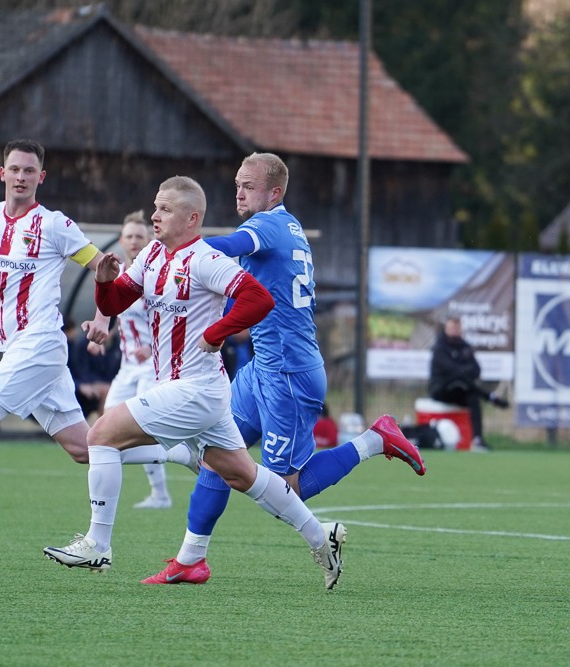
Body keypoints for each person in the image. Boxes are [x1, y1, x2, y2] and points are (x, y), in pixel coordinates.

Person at [0, 139, 197, 556]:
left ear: (41, 177)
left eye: (29, 171)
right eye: (14, 169)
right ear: (2, 173)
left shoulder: (54, 225)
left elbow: (105, 268)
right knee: (85, 448)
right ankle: (178, 453)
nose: (21, 177)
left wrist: (103, 312)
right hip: (18, 348)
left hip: (40, 344)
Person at [43, 175, 347, 589]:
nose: (155, 215)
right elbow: (114, 302)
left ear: (191, 219)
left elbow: (259, 299)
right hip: (197, 390)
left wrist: (216, 332)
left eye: (165, 209)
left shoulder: (205, 259)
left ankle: (97, 544)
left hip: (195, 389)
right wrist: (103, 279)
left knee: (100, 436)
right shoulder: (152, 255)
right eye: (156, 206)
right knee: (242, 475)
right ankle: (321, 536)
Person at [142, 153, 425, 587]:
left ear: (274, 193)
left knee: (284, 490)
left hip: (290, 374)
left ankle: (374, 440)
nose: (239, 193)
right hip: (264, 366)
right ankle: (190, 559)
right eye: (237, 184)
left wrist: (176, 248)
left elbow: (224, 247)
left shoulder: (269, 224)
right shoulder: (282, 227)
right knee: (217, 456)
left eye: (249, 186)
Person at [91, 211, 175, 509]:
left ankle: (163, 488)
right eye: (129, 236)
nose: (134, 241)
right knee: (105, 430)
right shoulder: (121, 275)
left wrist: (151, 347)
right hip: (127, 367)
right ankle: (159, 492)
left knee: (142, 429)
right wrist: (102, 335)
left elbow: (172, 317)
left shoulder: (155, 274)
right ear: (121, 240)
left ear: (149, 239)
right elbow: (122, 317)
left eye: (140, 236)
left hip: (153, 366)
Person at [428, 316, 509, 452]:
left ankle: (477, 440)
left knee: (472, 397)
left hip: (462, 390)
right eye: (452, 328)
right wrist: (464, 369)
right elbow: (451, 370)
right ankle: (489, 397)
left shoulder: (465, 347)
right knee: (459, 380)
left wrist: (461, 370)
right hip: (442, 390)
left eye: (457, 328)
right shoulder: (439, 348)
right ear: (446, 329)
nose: (455, 331)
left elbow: (476, 370)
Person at [65, 317, 119, 419]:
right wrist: (82, 385)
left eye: (110, 329)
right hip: (85, 385)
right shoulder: (81, 346)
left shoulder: (118, 347)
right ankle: (103, 424)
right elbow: (80, 371)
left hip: (107, 384)